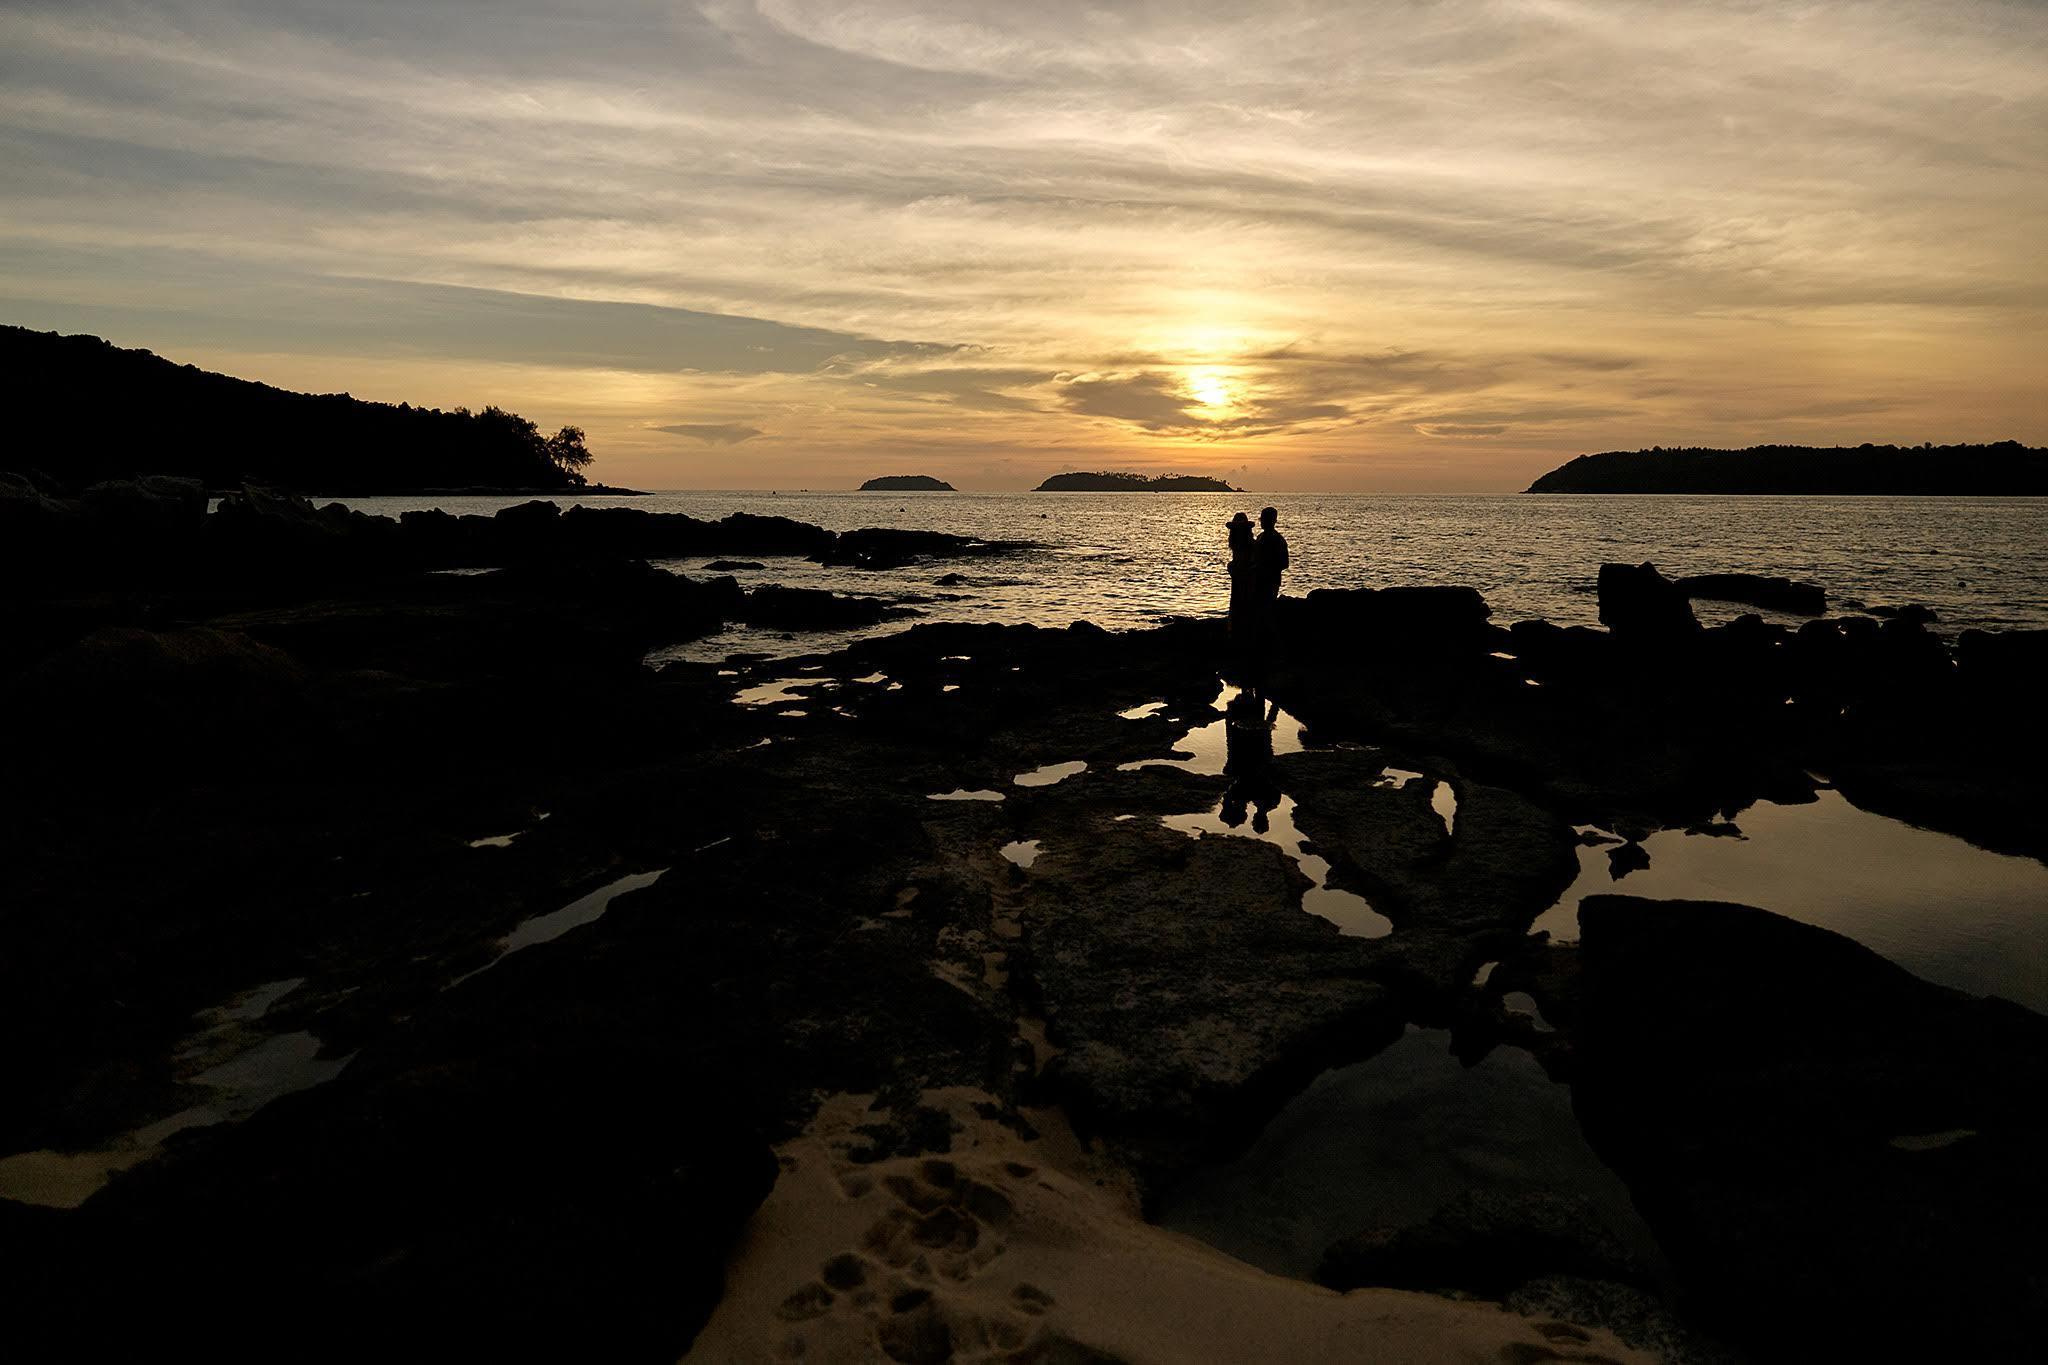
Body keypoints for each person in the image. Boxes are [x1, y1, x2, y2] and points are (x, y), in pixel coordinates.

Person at [1252, 506, 1289, 643]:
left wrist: (1266, 567)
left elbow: (1284, 563)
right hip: (1261, 580)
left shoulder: (1277, 540)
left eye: (1264, 519)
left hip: (1269, 581)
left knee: (1266, 613)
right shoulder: (1262, 538)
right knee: (1261, 613)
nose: (1262, 521)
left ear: (1272, 521)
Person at [1225, 511, 1257, 644]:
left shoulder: (1249, 545)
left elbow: (1252, 564)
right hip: (1240, 579)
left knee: (1242, 606)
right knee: (1239, 606)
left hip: (1247, 580)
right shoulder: (1242, 544)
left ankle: (1241, 637)